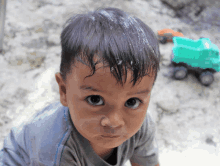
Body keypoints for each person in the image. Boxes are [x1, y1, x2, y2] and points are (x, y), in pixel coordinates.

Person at [0, 7, 160, 166]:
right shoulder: (54, 148)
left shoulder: (141, 127)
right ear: (64, 90)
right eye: (95, 99)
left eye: (132, 102)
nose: (114, 121)